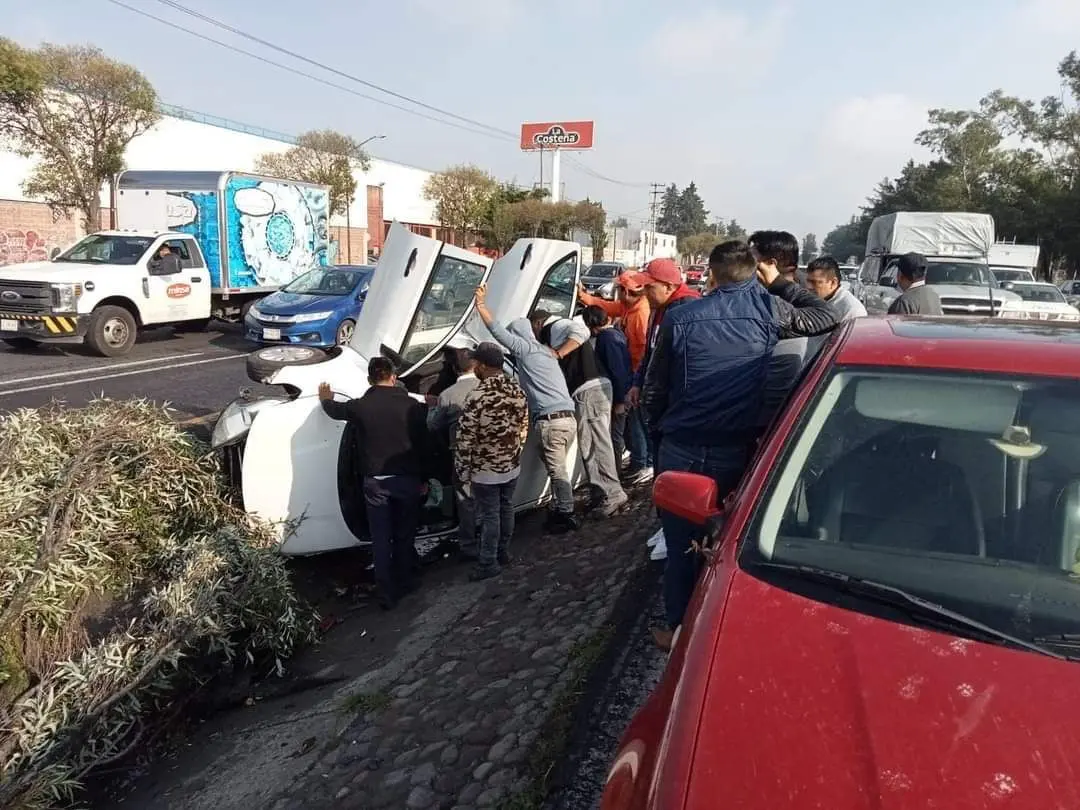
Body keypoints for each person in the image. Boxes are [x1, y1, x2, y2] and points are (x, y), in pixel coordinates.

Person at [643, 239, 840, 649]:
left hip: (680, 446)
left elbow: (654, 390)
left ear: (711, 274)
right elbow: (824, 315)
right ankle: (717, 629)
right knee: (729, 546)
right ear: (754, 272)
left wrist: (656, 436)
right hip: (737, 448)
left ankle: (678, 629)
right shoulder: (770, 308)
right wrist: (781, 285)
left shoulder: (682, 317)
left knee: (680, 543)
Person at [318, 357, 429, 610]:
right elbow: (423, 445)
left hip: (375, 482)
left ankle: (386, 591)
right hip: (406, 479)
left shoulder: (361, 407)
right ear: (393, 376)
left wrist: (325, 398)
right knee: (404, 533)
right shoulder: (411, 405)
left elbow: (335, 410)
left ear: (370, 379)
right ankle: (406, 580)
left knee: (381, 538)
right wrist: (424, 478)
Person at [472, 284, 580, 532]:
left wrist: (480, 306)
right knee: (555, 466)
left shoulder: (526, 349)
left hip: (551, 421)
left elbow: (497, 331)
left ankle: (566, 513)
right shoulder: (545, 352)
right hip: (567, 418)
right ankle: (559, 507)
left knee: (556, 469)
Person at [535, 310, 629, 517]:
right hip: (595, 387)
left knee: (595, 445)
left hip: (588, 389)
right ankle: (602, 494)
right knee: (595, 444)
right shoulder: (557, 329)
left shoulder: (555, 327)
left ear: (538, 323)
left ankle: (612, 495)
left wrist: (558, 353)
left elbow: (578, 329)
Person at [453, 342, 530, 581]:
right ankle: (502, 552)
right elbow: (523, 426)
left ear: (483, 366)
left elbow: (465, 438)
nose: (474, 366)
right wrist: (514, 453)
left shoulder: (477, 396)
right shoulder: (517, 390)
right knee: (506, 508)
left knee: (490, 515)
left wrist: (462, 471)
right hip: (511, 463)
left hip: (485, 469)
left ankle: (488, 562)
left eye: (476, 362)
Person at [578, 274, 652, 479]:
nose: (617, 295)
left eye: (619, 290)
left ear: (627, 292)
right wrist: (584, 296)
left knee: (635, 423)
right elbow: (607, 306)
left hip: (637, 378)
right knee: (631, 424)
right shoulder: (629, 308)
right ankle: (640, 461)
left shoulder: (640, 315)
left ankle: (642, 463)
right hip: (633, 377)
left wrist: (625, 394)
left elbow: (642, 353)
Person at [427, 347, 481, 557]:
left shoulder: (447, 395)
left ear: (453, 368)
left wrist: (433, 406)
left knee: (465, 499)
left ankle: (469, 545)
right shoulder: (487, 388)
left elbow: (433, 426)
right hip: (489, 451)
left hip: (462, 454)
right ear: (476, 365)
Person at [582, 305, 639, 483]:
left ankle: (614, 473)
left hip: (617, 395)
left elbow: (618, 370)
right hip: (623, 391)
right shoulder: (616, 334)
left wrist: (620, 401)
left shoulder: (607, 339)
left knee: (615, 436)